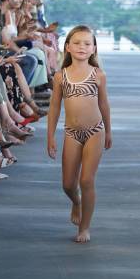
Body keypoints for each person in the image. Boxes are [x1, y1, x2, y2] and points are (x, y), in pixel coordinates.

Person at [47, 26, 112, 243]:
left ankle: (84, 227)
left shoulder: (98, 75)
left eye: (87, 43)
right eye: (77, 43)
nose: (82, 47)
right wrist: (50, 137)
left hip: (95, 131)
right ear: (67, 47)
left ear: (94, 48)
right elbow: (55, 107)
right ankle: (77, 202)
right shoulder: (60, 76)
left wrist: (109, 131)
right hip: (71, 133)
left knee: (86, 180)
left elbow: (104, 105)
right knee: (68, 184)